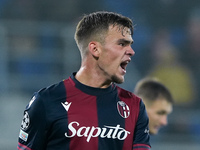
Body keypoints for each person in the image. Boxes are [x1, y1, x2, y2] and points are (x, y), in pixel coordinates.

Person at [17, 11, 151, 150]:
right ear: (95, 49)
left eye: (130, 44)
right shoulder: (46, 101)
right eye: (122, 44)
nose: (131, 51)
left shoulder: (134, 106)